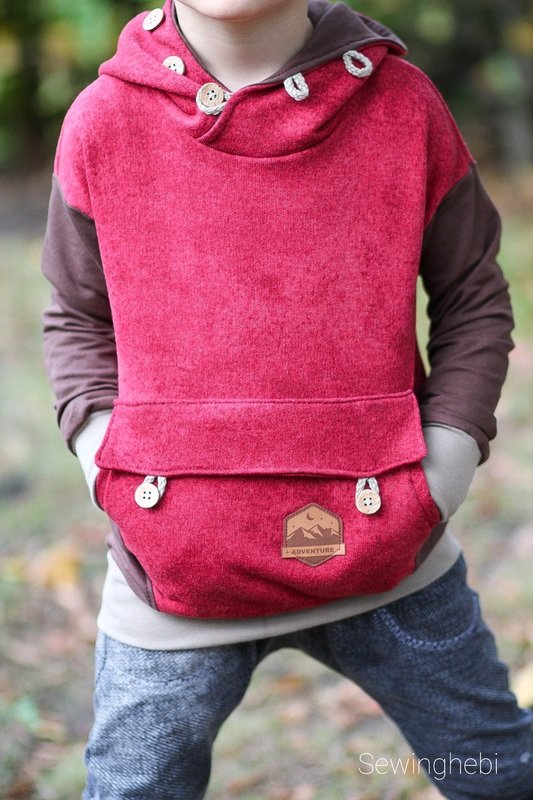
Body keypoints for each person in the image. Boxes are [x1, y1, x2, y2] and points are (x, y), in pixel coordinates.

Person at [41, 0, 533, 798]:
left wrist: (441, 468)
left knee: (497, 775)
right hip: (171, 575)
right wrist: (107, 463)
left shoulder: (402, 106)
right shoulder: (103, 119)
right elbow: (75, 316)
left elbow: (472, 295)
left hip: (391, 549)